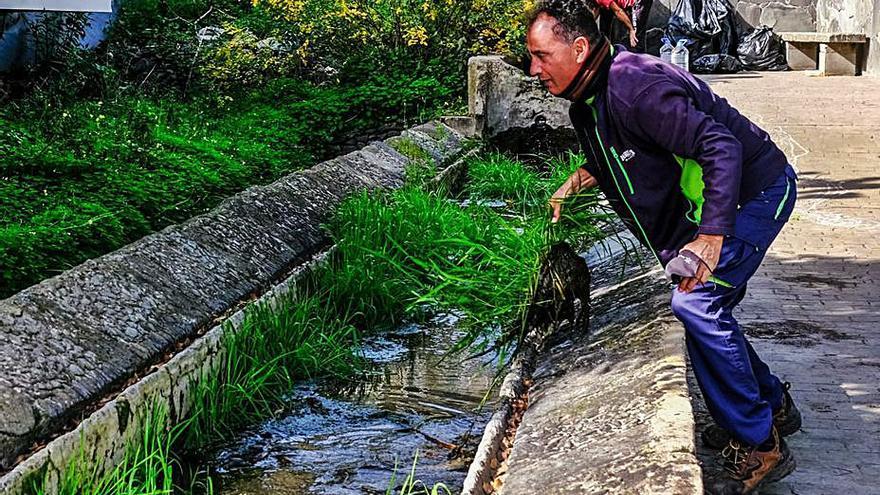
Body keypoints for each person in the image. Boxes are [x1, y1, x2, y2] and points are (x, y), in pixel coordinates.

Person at [525, 1, 802, 493]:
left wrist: (712, 237)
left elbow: (721, 146)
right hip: (719, 203)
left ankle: (762, 442)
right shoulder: (587, 101)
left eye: (542, 55)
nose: (534, 68)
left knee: (696, 300)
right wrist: (582, 178)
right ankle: (772, 405)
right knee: (700, 302)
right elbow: (627, 152)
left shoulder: (636, 87)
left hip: (756, 192)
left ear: (580, 48)